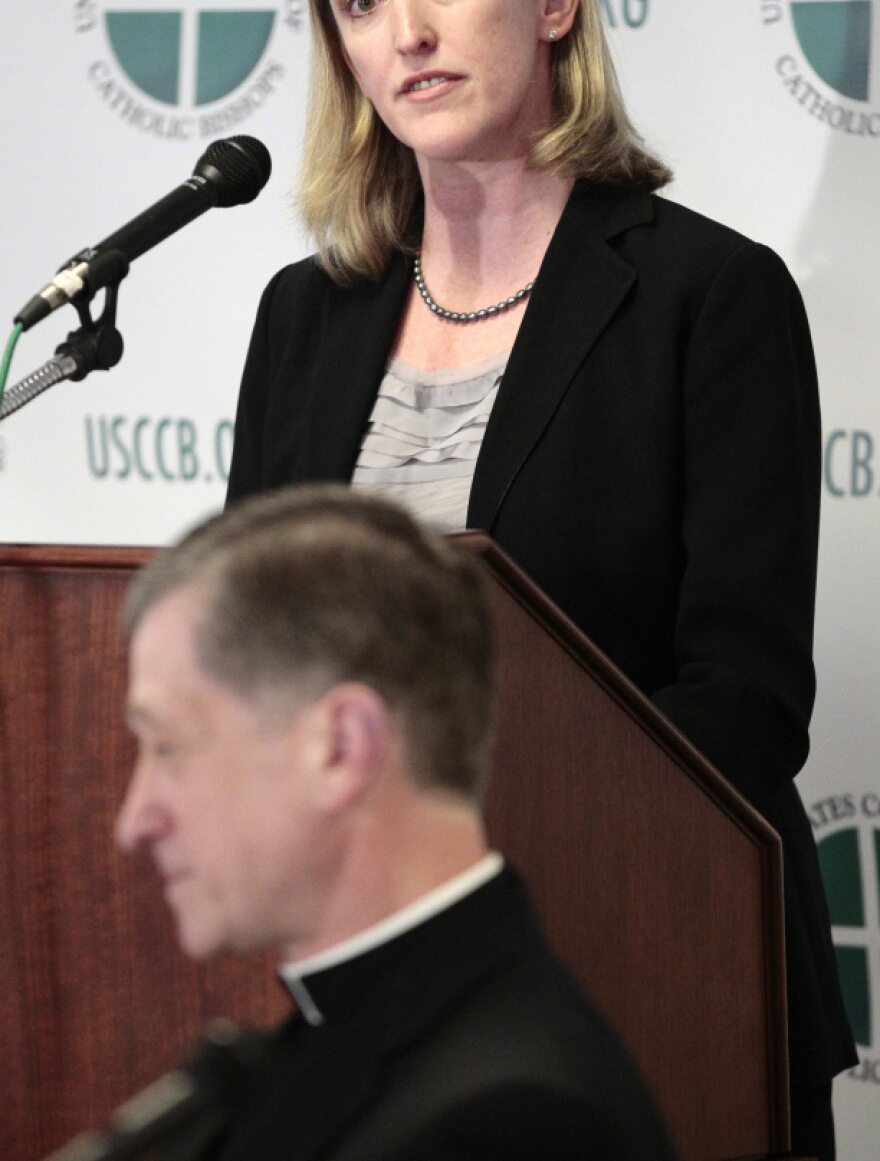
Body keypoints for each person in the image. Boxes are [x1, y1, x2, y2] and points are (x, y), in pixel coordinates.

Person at [224, 0, 856, 1159]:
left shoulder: (709, 297)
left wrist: (485, 872)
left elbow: (744, 698)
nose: (408, 29)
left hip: (653, 971)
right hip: (366, 1009)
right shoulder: (306, 317)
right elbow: (249, 663)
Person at [116, 485, 678, 1161]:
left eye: (169, 747)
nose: (134, 821)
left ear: (342, 749)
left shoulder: (512, 1127)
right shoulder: (318, 1047)